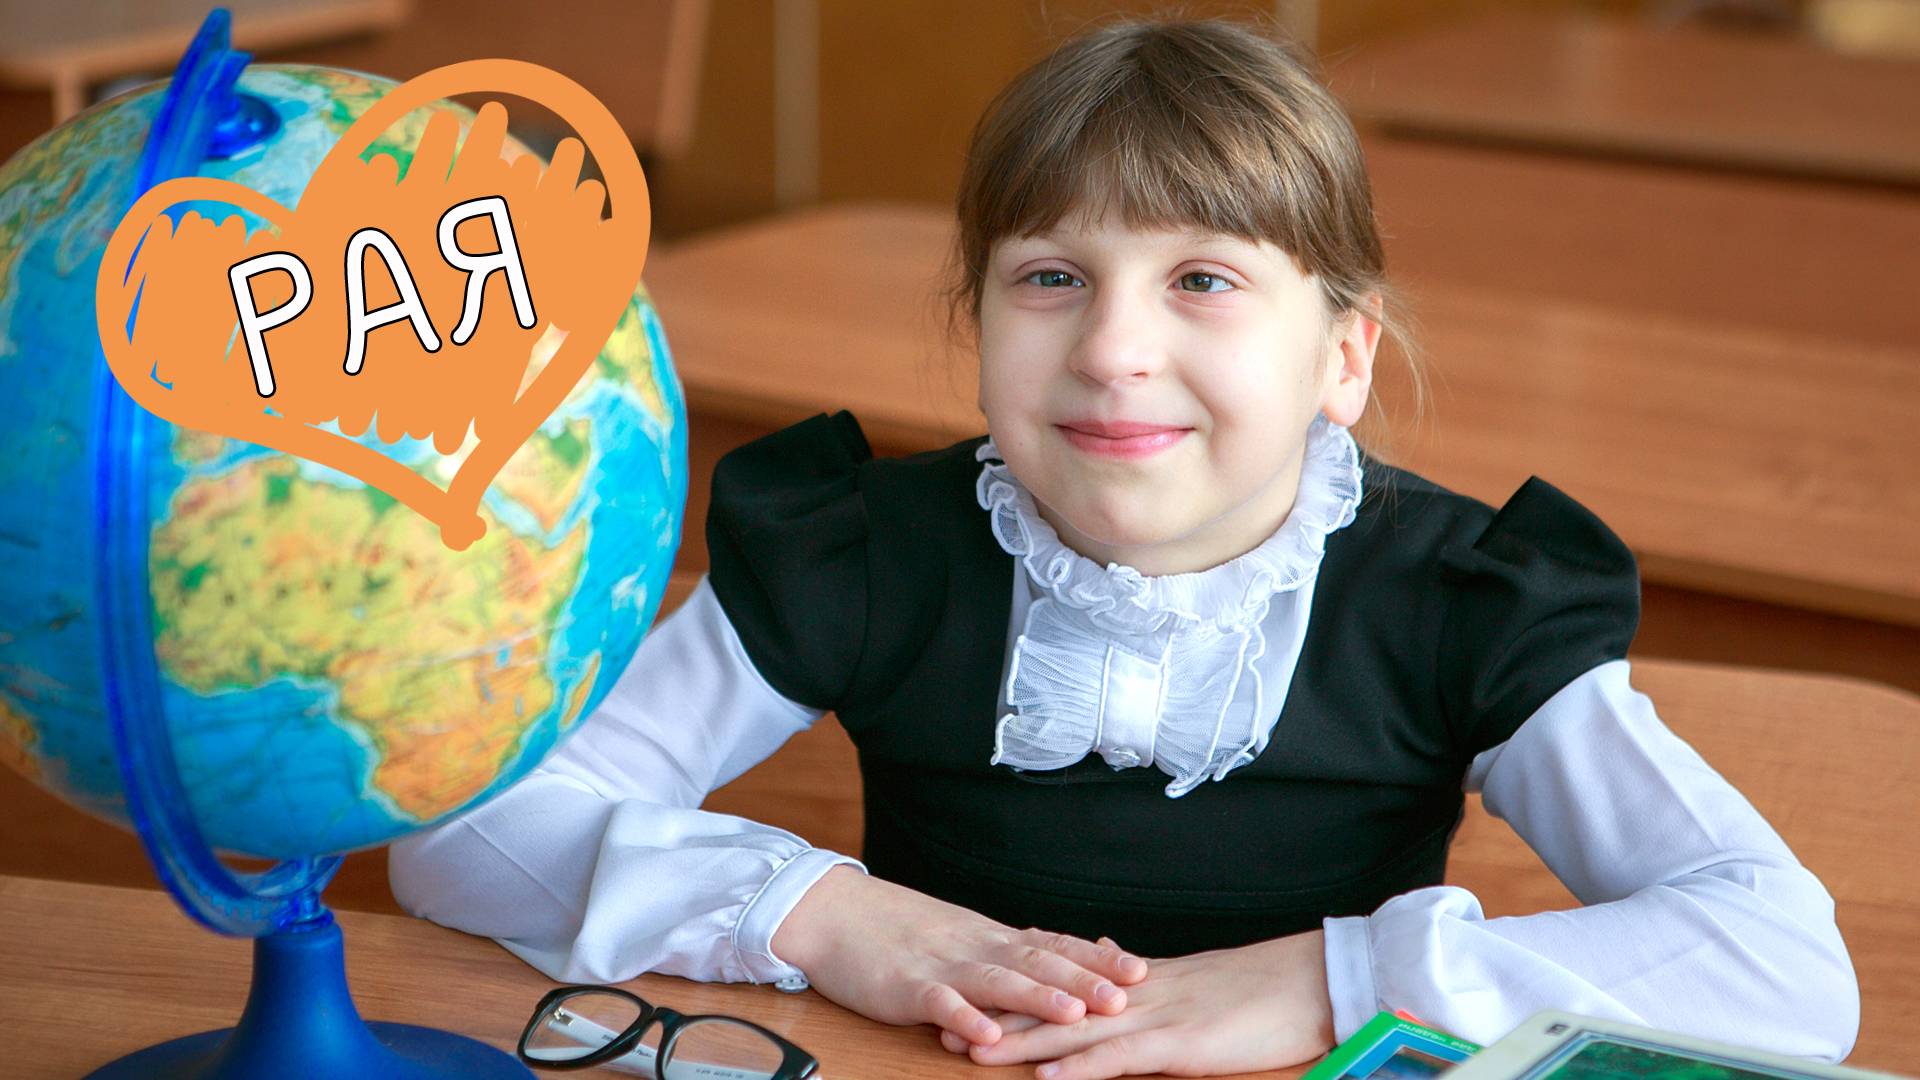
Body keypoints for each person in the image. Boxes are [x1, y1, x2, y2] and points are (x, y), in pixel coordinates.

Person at [389, 16, 1859, 1078]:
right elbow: (456, 831)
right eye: (1049, 277)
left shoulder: (1458, 601)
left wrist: (1336, 979)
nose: (1111, 350)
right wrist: (823, 913)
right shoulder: (864, 552)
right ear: (976, 325)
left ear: (1342, 356)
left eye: (1203, 279)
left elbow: (1782, 962)